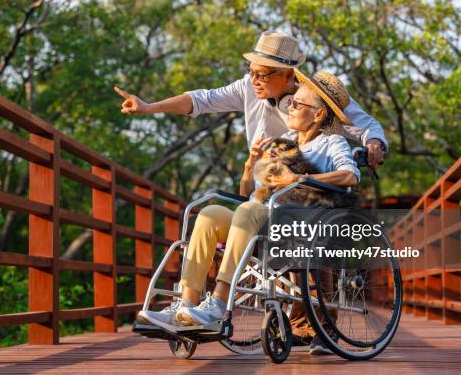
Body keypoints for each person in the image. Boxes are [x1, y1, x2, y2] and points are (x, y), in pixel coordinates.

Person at [117, 30, 388, 354]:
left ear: (289, 74)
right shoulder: (259, 98)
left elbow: (358, 129)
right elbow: (201, 99)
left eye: (263, 73)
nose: (254, 79)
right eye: (252, 71)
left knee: (295, 249)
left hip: (300, 207)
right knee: (208, 213)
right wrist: (149, 108)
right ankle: (186, 306)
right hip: (267, 198)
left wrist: (372, 143)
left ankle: (222, 305)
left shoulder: (316, 103)